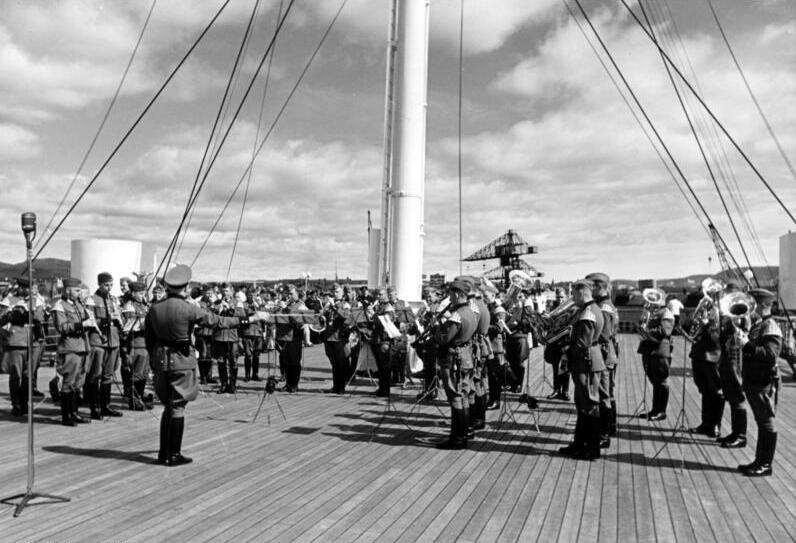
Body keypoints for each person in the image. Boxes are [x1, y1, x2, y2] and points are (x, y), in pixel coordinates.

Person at [144, 264, 262, 466]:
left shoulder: (155, 309)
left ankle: (163, 453)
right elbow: (218, 321)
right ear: (186, 287)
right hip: (182, 361)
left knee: (167, 407)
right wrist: (250, 319)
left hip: (162, 361)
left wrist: (155, 360)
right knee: (178, 407)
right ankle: (173, 454)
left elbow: (149, 338)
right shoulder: (189, 309)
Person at [558, 279, 605, 460]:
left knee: (589, 405)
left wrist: (566, 349)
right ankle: (580, 444)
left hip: (586, 363)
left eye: (574, 294)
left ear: (581, 292)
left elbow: (582, 344)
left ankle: (591, 448)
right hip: (586, 363)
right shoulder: (589, 311)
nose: (572, 298)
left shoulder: (588, 313)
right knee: (582, 405)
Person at [737, 288, 782, 477]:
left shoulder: (770, 326)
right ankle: (759, 460)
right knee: (761, 421)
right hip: (754, 379)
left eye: (752, 304)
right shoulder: (759, 324)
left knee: (766, 422)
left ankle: (765, 464)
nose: (749, 308)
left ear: (762, 305)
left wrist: (746, 344)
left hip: (763, 381)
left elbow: (771, 355)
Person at [434, 279, 478, 449]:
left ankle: (457, 438)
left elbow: (443, 338)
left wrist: (436, 327)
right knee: (464, 395)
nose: (449, 297)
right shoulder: (471, 312)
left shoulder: (457, 315)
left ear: (459, 294)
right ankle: (464, 433)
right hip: (466, 356)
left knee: (455, 397)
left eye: (451, 294)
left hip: (454, 359)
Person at [51, 278, 94, 426]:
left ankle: (74, 413)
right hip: (70, 347)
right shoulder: (60, 306)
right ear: (68, 290)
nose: (79, 293)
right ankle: (66, 416)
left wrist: (89, 323)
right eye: (76, 290)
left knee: (78, 382)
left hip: (82, 345)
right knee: (68, 382)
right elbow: (62, 327)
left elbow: (84, 320)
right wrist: (81, 324)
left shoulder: (77, 304)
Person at [585, 272, 619, 446]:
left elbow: (604, 335)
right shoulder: (606, 305)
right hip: (608, 353)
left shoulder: (604, 307)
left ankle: (604, 435)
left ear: (599, 287)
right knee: (607, 393)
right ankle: (610, 428)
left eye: (591, 287)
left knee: (604, 394)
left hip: (604, 354)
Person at [86, 272, 124, 419]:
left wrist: (118, 318)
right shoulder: (92, 300)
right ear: (99, 284)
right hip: (99, 340)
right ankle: (94, 407)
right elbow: (91, 320)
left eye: (111, 285)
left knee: (108, 375)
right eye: (106, 285)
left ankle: (105, 406)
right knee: (95, 374)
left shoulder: (113, 299)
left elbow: (120, 317)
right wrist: (106, 320)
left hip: (113, 340)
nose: (109, 288)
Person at [687, 288, 724, 438]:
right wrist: (695, 320)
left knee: (715, 391)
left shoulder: (720, 312)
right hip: (699, 354)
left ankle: (715, 425)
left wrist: (707, 324)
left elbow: (717, 337)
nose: (706, 298)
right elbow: (692, 330)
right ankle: (705, 423)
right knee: (704, 391)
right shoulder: (706, 309)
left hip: (712, 356)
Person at [716, 280, 749, 448]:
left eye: (730, 293)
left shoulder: (743, 312)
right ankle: (735, 432)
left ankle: (741, 435)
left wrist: (734, 322)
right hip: (727, 356)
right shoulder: (728, 313)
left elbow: (744, 332)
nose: (727, 296)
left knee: (737, 396)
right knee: (730, 394)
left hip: (737, 358)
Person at [637, 291, 674, 421]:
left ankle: (661, 411)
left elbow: (664, 331)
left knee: (661, 381)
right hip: (650, 351)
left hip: (660, 351)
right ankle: (655, 409)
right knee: (654, 381)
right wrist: (642, 323)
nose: (650, 302)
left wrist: (646, 330)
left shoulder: (666, 313)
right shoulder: (652, 313)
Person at [121, 281, 150, 410]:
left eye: (144, 293)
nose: (143, 295)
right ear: (133, 293)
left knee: (143, 372)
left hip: (145, 343)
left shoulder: (144, 306)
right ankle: (134, 400)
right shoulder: (129, 306)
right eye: (140, 293)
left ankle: (140, 397)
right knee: (136, 372)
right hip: (135, 343)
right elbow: (126, 325)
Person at [275, 285, 307, 393]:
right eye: (288, 294)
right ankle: (288, 383)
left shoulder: (301, 305)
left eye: (292, 294)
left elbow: (298, 319)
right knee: (286, 361)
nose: (289, 296)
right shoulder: (286, 304)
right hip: (284, 336)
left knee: (294, 361)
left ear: (297, 294)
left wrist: (285, 308)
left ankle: (294, 384)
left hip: (295, 336)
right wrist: (277, 309)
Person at [321, 283, 351, 394]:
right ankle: (335, 386)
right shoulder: (330, 305)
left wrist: (334, 306)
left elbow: (346, 316)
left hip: (339, 337)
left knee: (341, 363)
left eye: (337, 292)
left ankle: (341, 387)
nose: (335, 294)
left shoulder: (345, 304)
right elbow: (325, 319)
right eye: (334, 292)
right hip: (328, 337)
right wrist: (323, 313)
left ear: (343, 293)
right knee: (334, 364)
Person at [369, 288, 396, 397]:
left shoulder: (388, 307)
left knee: (385, 367)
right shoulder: (380, 306)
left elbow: (387, 322)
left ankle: (385, 390)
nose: (378, 297)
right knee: (380, 366)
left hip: (384, 340)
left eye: (381, 294)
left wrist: (373, 314)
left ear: (386, 295)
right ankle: (382, 388)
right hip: (376, 339)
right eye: (377, 295)